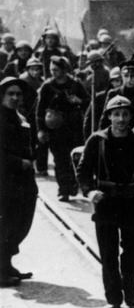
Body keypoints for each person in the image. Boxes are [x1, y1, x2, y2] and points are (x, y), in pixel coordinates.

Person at [76, 95, 134, 308]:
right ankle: (113, 297)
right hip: (106, 203)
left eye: (125, 114)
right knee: (108, 253)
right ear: (109, 116)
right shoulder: (96, 140)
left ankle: (130, 290)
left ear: (131, 117)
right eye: (116, 114)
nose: (121, 119)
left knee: (132, 251)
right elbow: (83, 170)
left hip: (133, 203)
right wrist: (89, 192)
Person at [0, 76, 38, 285]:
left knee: (21, 222)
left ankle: (6, 263)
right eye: (10, 94)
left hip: (23, 180)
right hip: (5, 180)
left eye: (18, 94)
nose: (15, 97)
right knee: (6, 224)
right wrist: (18, 162)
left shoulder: (19, 118)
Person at [35, 56, 88, 200]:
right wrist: (41, 129)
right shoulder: (47, 86)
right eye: (52, 69)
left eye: (56, 70)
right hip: (55, 128)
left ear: (64, 70)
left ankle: (73, 185)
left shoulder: (75, 84)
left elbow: (88, 102)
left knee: (74, 158)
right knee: (59, 159)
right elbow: (40, 110)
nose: (53, 72)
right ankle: (63, 189)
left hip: (74, 128)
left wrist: (79, 101)